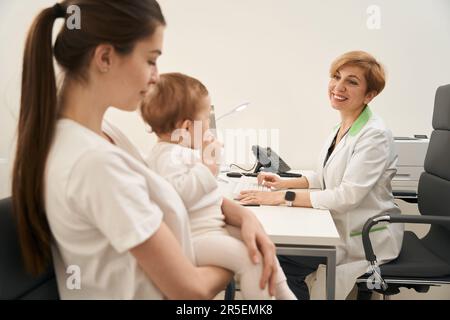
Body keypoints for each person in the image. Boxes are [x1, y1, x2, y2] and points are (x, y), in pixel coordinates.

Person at [12, 0, 278, 299]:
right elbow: (191, 291)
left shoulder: (102, 135)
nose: (155, 76)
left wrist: (245, 218)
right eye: (151, 60)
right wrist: (244, 257)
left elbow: (162, 193)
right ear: (105, 57)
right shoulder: (93, 162)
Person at [238, 51, 404, 300]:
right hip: (340, 225)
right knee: (273, 255)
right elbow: (326, 176)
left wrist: (283, 197)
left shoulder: (374, 135)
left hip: (362, 236)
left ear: (370, 95)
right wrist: (285, 183)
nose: (339, 86)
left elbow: (347, 195)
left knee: (277, 260)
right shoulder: (342, 125)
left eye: (352, 81)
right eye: (336, 77)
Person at [140, 72, 296, 300]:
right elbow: (178, 195)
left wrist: (208, 162)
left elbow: (204, 190)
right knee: (250, 260)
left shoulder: (181, 152)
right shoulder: (167, 156)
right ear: (186, 128)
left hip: (212, 228)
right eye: (206, 118)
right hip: (196, 239)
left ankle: (284, 295)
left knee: (260, 243)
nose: (209, 126)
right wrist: (207, 168)